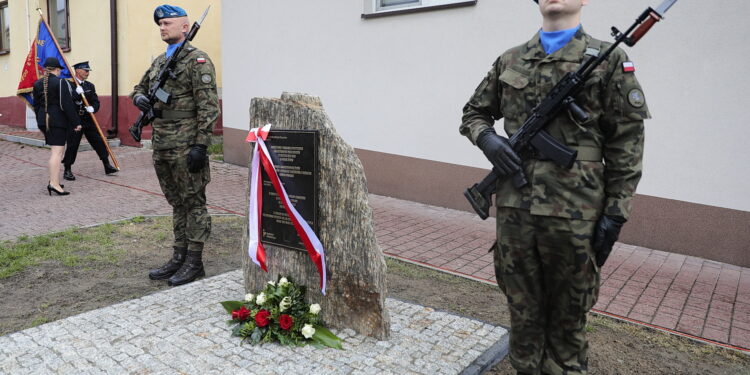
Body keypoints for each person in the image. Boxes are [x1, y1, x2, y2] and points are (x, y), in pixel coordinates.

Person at [459, 0, 648, 373]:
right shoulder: (510, 60)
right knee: (521, 306)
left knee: (570, 311)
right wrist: (489, 141)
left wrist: (617, 210)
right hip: (516, 206)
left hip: (575, 212)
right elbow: (474, 113)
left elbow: (626, 142)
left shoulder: (608, 59)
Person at [131, 4, 220, 287]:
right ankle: (178, 256)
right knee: (176, 203)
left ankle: (195, 261)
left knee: (193, 203)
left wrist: (201, 146)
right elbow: (139, 88)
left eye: (167, 23)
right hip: (162, 142)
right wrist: (139, 99)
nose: (162, 27)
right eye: (160, 24)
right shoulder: (159, 63)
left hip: (186, 144)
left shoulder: (198, 61)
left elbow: (208, 108)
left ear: (185, 27)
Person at [32, 57, 83, 196]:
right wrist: (76, 122)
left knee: (55, 151)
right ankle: (54, 184)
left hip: (44, 120)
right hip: (57, 121)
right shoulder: (61, 83)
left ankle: (54, 180)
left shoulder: (37, 83)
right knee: (57, 152)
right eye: (60, 69)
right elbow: (66, 104)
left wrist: (40, 120)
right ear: (57, 69)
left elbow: (36, 105)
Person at [61, 61, 118, 181]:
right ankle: (67, 169)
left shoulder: (89, 86)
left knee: (99, 141)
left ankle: (107, 165)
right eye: (85, 70)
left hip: (88, 118)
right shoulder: (68, 85)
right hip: (75, 119)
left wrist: (93, 108)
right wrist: (76, 94)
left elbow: (95, 101)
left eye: (88, 70)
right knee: (72, 145)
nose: (87, 73)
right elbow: (66, 103)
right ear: (77, 71)